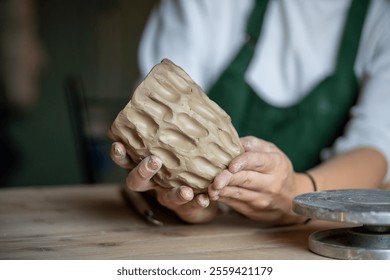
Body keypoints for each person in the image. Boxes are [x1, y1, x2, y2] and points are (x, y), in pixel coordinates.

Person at [109, 0, 390, 225]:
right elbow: (152, 107)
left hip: (310, 234)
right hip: (212, 236)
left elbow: (377, 147)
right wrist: (188, 202)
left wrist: (296, 193)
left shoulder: (381, 19)